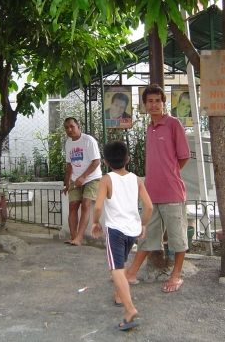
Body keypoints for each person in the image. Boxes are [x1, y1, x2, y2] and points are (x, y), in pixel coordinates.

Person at [126, 84, 191, 293]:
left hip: (172, 193)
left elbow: (184, 156)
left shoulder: (174, 124)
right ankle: (131, 272)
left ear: (164, 103)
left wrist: (169, 174)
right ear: (145, 105)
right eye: (150, 101)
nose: (153, 105)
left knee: (177, 239)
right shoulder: (149, 127)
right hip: (151, 193)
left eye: (157, 101)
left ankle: (176, 276)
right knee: (146, 236)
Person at [91, 141, 152, 331]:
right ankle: (119, 296)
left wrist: (95, 222)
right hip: (132, 230)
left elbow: (99, 206)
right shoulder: (136, 179)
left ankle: (130, 309)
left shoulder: (106, 179)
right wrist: (142, 224)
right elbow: (149, 206)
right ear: (128, 159)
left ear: (106, 162)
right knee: (121, 264)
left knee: (116, 269)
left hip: (115, 230)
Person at [62, 117, 102, 246]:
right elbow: (69, 165)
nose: (69, 129)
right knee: (72, 206)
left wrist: (84, 177)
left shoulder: (88, 140)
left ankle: (79, 237)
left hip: (92, 178)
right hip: (75, 178)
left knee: (85, 204)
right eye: (67, 127)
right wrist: (66, 183)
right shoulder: (68, 143)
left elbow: (96, 161)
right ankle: (74, 237)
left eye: (72, 126)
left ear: (78, 126)